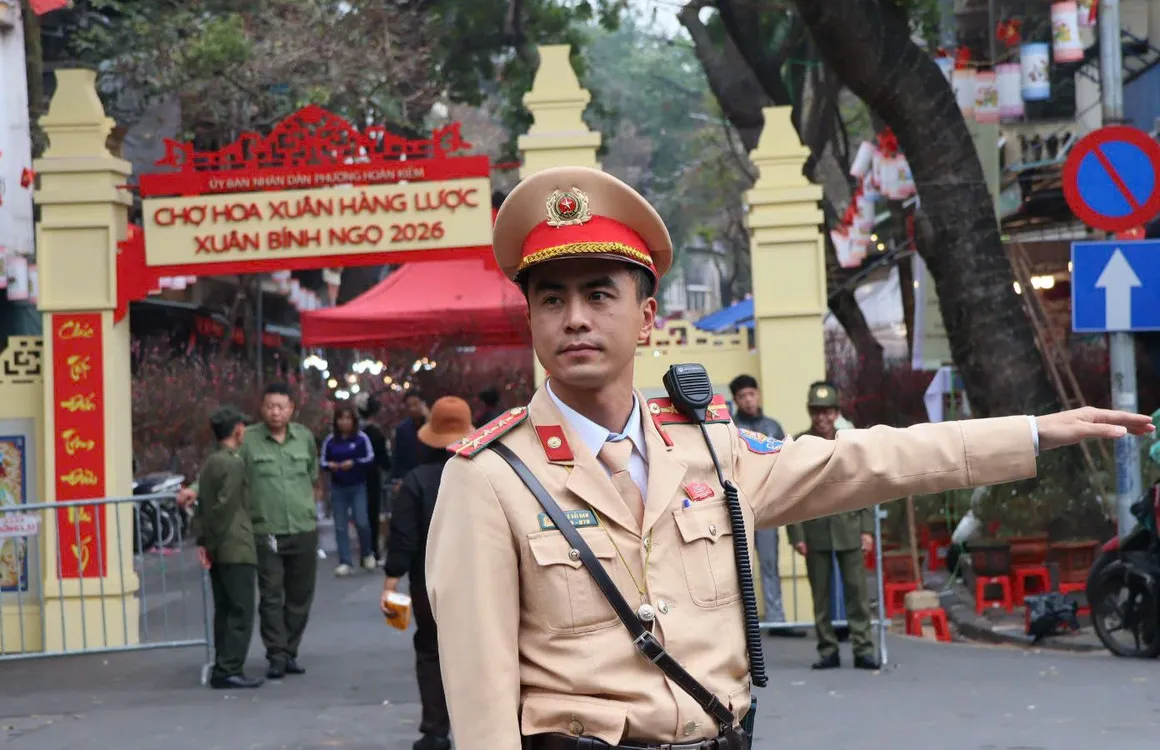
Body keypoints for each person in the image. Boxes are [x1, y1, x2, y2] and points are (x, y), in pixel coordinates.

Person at [422, 165, 1154, 750]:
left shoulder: (709, 449)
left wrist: (1030, 433)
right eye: (552, 300)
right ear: (531, 319)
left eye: (597, 294)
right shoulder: (489, 478)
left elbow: (866, 460)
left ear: (646, 320)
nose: (575, 318)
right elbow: (482, 706)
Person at [179, 382, 320, 681]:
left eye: (281, 406)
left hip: (302, 526)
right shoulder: (247, 439)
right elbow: (220, 469)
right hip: (265, 529)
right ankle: (277, 654)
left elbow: (312, 475)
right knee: (271, 595)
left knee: (300, 596)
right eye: (270, 406)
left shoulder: (304, 437)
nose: (275, 412)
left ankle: (290, 650)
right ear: (262, 408)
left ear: (292, 409)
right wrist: (194, 489)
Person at [381, 396, 472, 750]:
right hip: (481, 580)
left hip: (429, 581)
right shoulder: (484, 474)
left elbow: (403, 537)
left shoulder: (416, 481)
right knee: (484, 651)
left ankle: (435, 731)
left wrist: (390, 583)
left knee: (431, 650)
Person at [786, 381, 877, 670]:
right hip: (815, 530)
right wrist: (796, 533)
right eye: (816, 411)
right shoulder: (799, 444)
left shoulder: (850, 442)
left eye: (827, 411)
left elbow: (864, 486)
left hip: (849, 527)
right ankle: (828, 649)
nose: (821, 417)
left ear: (837, 412)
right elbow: (791, 492)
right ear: (809, 412)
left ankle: (863, 648)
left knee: (857, 594)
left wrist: (866, 529)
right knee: (820, 597)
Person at [191, 405, 264, 690]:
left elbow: (204, 506)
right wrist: (213, 541)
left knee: (224, 608)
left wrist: (203, 541)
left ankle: (223, 662)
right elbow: (224, 507)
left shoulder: (211, 462)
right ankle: (230, 667)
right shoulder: (233, 464)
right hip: (235, 544)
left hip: (219, 547)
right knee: (240, 609)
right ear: (236, 430)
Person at [727, 373, 800, 639]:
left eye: (751, 394)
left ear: (757, 394)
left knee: (770, 565)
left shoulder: (772, 426)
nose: (748, 400)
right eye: (742, 396)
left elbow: (785, 463)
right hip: (738, 509)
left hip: (767, 507)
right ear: (736, 400)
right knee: (739, 569)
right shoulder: (730, 429)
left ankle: (777, 620)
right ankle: (741, 625)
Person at [321, 403, 376, 575]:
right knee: (340, 526)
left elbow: (370, 458)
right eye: (341, 418)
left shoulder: (361, 438)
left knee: (362, 522)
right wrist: (330, 465)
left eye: (347, 418)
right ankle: (345, 561)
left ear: (353, 421)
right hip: (338, 487)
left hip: (357, 485)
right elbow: (322, 461)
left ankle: (367, 553)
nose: (344, 422)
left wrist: (354, 463)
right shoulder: (330, 441)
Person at [359, 397, 392, 562]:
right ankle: (373, 549)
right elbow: (385, 461)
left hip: (356, 476)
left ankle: (365, 549)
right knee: (373, 513)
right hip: (372, 477)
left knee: (361, 514)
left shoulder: (356, 433)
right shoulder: (376, 433)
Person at [392, 390, 430, 485]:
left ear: (423, 404)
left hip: (431, 476)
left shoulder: (431, 425)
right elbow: (398, 457)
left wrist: (428, 418)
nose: (412, 409)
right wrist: (398, 479)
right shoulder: (402, 429)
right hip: (410, 478)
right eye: (409, 406)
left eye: (415, 404)